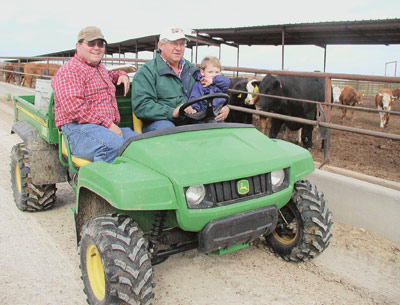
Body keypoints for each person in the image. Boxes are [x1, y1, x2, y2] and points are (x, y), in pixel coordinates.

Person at [52, 26, 139, 163]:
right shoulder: (69, 70)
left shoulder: (99, 68)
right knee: (113, 145)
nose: (97, 47)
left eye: (100, 44)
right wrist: (108, 124)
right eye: (91, 43)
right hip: (76, 128)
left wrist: (122, 75)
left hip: (102, 127)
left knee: (140, 143)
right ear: (78, 46)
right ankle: (100, 181)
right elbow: (74, 108)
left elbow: (110, 75)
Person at [131, 28, 230, 132]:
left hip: (191, 119)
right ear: (161, 45)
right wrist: (172, 112)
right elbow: (141, 106)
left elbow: (210, 88)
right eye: (173, 44)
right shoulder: (147, 72)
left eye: (182, 44)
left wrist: (223, 107)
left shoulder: (192, 70)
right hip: (162, 121)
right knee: (167, 128)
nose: (178, 48)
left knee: (218, 127)